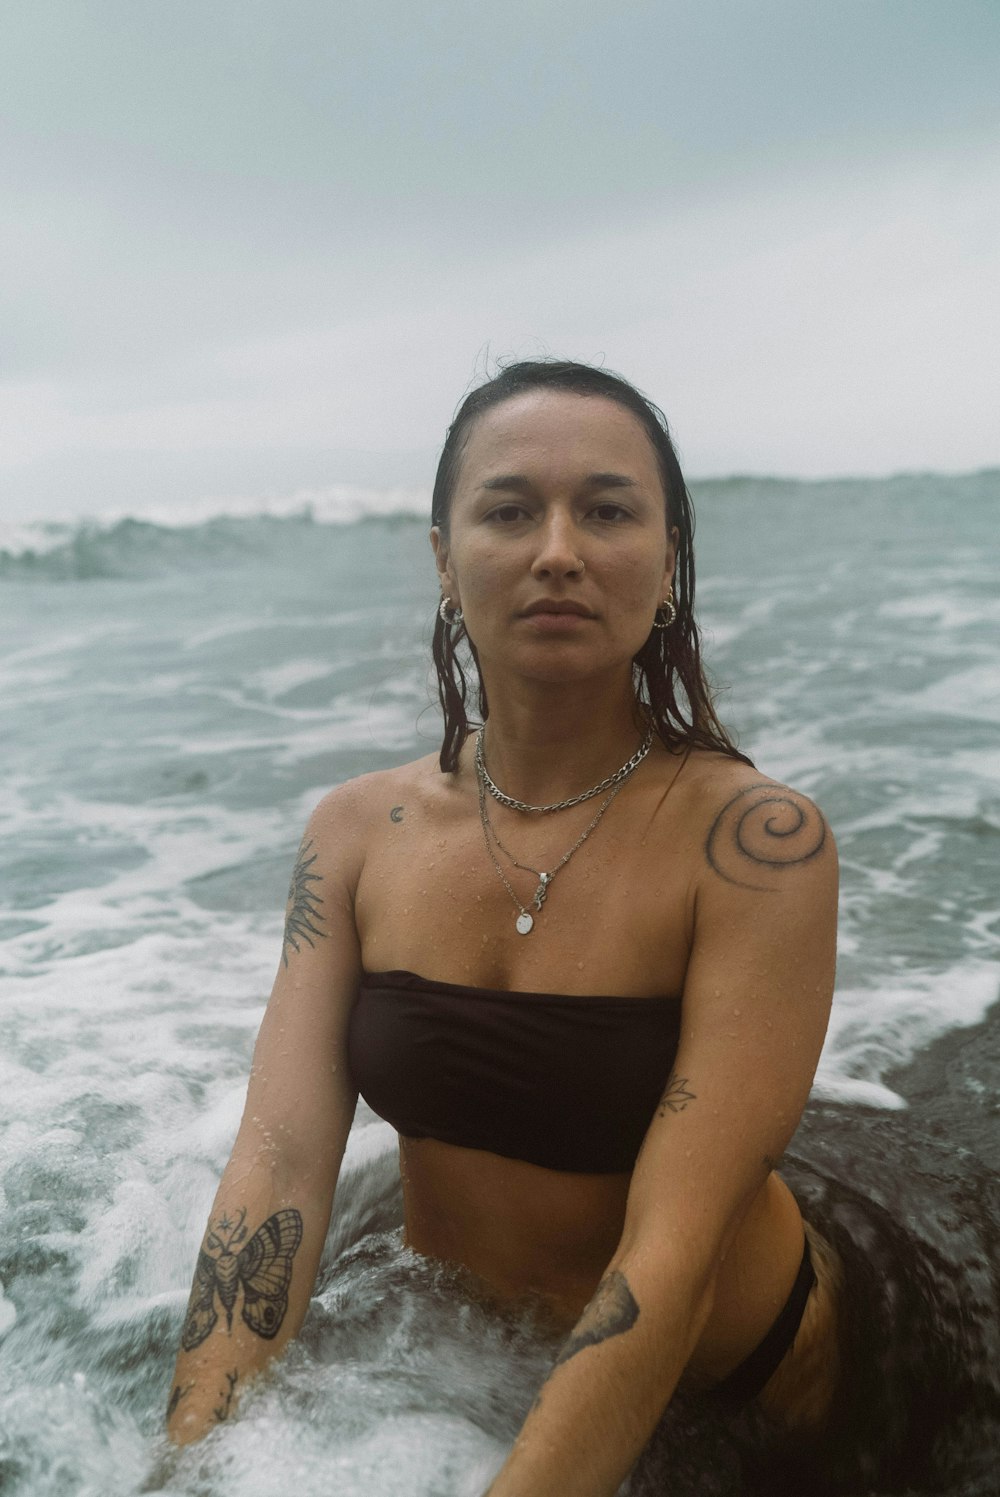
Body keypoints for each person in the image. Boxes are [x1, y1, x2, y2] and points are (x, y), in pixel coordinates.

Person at [165, 359, 841, 1495]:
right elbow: (277, 1169)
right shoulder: (355, 831)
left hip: (732, 1389)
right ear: (444, 556)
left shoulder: (758, 844)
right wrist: (183, 1465)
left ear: (668, 558)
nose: (558, 550)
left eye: (609, 509)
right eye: (511, 509)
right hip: (462, 1347)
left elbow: (669, 1258)